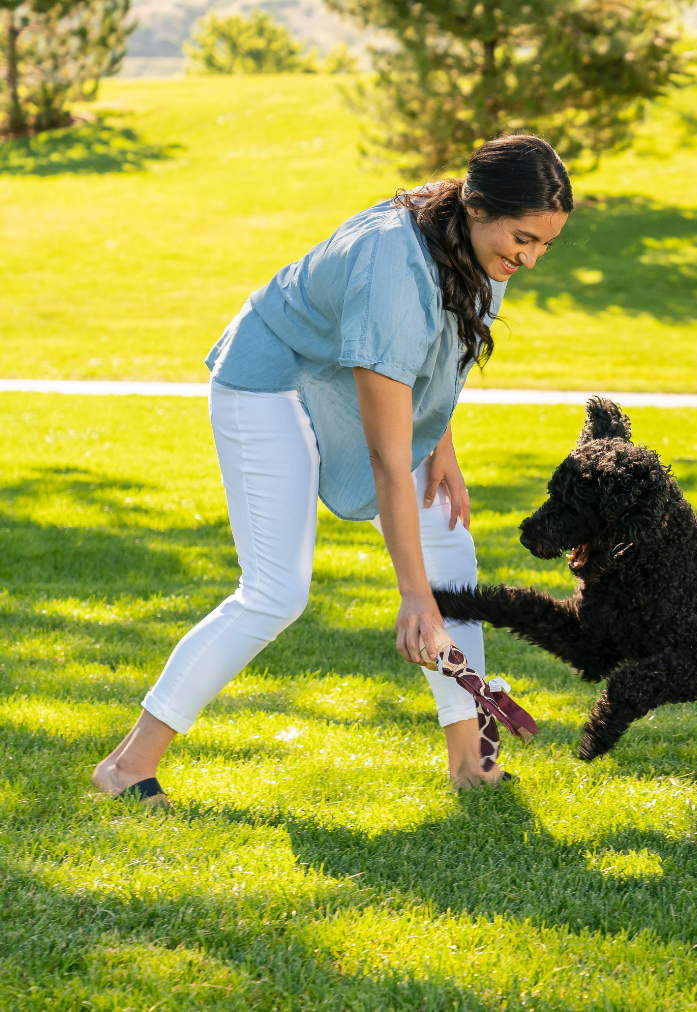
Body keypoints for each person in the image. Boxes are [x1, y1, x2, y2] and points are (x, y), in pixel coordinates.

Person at [92, 134, 573, 802]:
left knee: (447, 537)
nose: (529, 258)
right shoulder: (393, 268)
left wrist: (442, 448)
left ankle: (471, 763)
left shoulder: (475, 251)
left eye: (544, 245)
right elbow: (383, 451)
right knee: (275, 591)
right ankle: (126, 768)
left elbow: (435, 358)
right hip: (272, 379)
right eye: (523, 238)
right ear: (478, 204)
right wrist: (413, 593)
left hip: (342, 380)